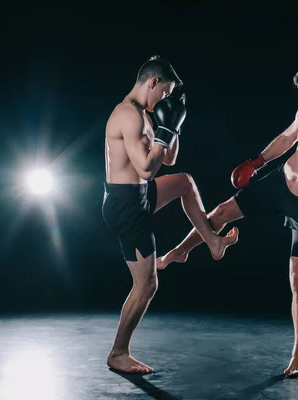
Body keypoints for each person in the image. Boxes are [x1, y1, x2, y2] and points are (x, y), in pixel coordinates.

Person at [156, 61, 298, 377]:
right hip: (279, 184)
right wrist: (258, 161)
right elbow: (287, 138)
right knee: (220, 212)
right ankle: (180, 251)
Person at [102, 55, 239, 374]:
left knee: (184, 182)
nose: (165, 99)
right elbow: (147, 168)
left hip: (137, 195)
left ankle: (213, 243)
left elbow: (170, 160)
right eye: (164, 93)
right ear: (152, 82)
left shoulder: (146, 113)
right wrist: (163, 129)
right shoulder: (127, 115)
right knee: (147, 286)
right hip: (126, 207)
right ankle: (118, 353)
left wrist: (173, 124)